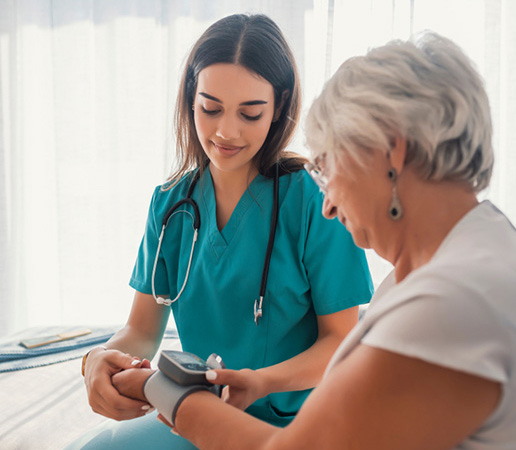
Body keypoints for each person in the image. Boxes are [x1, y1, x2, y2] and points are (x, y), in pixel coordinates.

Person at [106, 31, 516, 449]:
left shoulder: (455, 303)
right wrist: (255, 383)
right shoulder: (473, 251)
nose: (326, 203)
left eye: (330, 167)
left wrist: (163, 389)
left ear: (393, 152)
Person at [69, 13, 373, 449]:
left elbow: (341, 343)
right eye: (210, 109)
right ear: (190, 99)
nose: (225, 132)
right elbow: (141, 331)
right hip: (200, 417)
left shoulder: (315, 199)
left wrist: (259, 382)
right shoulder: (171, 204)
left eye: (250, 114)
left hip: (300, 427)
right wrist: (96, 359)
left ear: (280, 107)